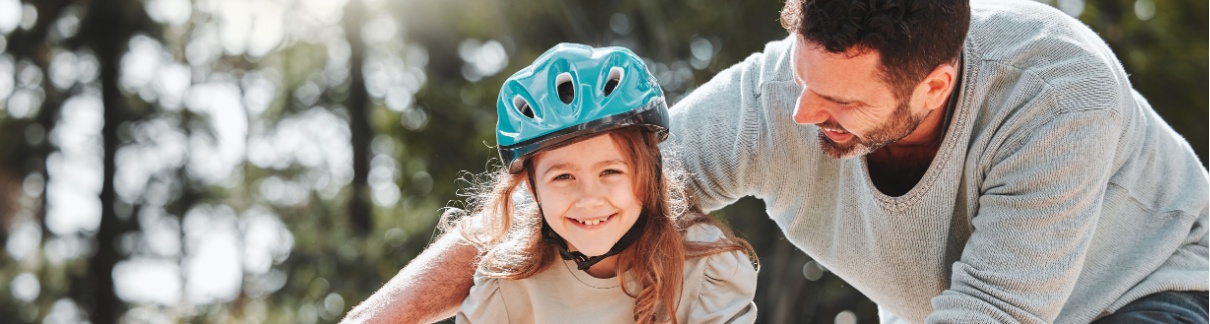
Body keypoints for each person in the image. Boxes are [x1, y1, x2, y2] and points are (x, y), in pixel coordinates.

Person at [344, 0, 1209, 323]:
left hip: (1148, 291)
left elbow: (996, 314)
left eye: (838, 104)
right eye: (803, 79)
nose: (803, 114)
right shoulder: (774, 97)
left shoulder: (1057, 92)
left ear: (936, 84)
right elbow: (591, 199)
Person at [376, 43, 759, 324]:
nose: (589, 198)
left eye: (611, 172)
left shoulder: (708, 268)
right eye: (563, 177)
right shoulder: (507, 284)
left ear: (649, 172)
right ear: (532, 188)